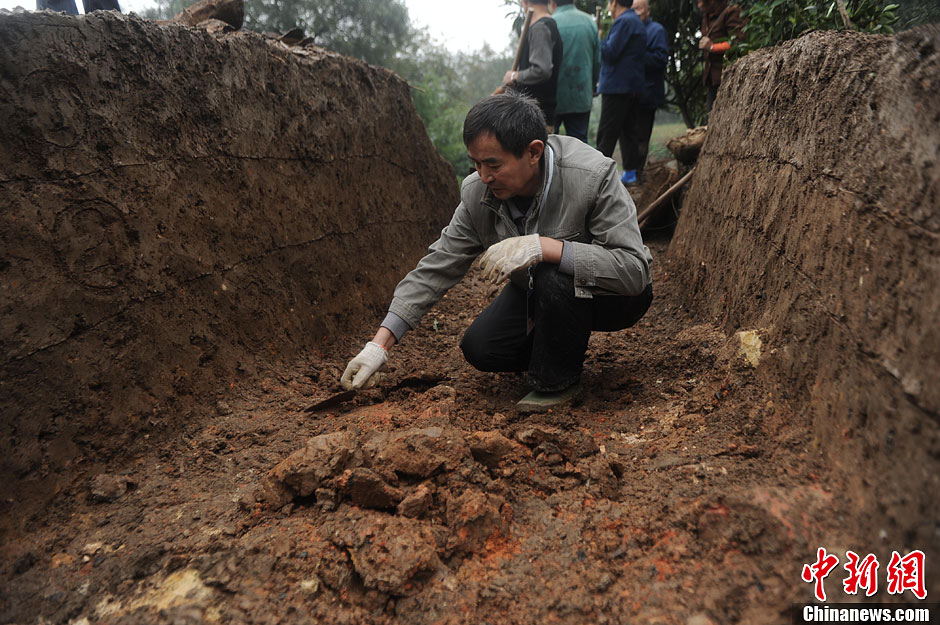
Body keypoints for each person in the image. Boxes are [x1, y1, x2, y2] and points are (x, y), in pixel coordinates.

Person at [341, 92, 653, 413]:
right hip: (536, 293)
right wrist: (379, 345)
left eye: (493, 164)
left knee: (551, 271)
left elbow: (634, 271)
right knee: (481, 349)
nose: (484, 175)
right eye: (475, 163)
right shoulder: (479, 193)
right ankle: (561, 343)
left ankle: (556, 382)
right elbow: (437, 266)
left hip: (614, 298)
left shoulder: (590, 176)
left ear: (533, 152)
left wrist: (546, 247)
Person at [596, 0, 647, 186]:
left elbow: (610, 53)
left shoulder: (624, 22)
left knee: (606, 133)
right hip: (632, 86)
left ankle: (597, 177)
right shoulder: (635, 21)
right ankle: (630, 174)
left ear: (614, 3)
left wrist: (599, 39)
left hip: (617, 87)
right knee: (628, 132)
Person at [501, 0, 564, 130]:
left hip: (537, 115)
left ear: (525, 2)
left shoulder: (540, 28)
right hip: (532, 114)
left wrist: (514, 76)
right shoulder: (541, 25)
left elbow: (541, 70)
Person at [551, 0, 601, 143]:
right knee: (579, 146)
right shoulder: (589, 22)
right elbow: (597, 61)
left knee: (547, 144)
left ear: (552, 2)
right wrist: (592, 86)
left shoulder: (548, 23)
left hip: (553, 98)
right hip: (581, 95)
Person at [632, 0, 669, 182]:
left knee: (641, 138)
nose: (636, 12)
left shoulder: (656, 31)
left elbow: (661, 59)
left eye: (639, 8)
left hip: (648, 93)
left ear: (648, 10)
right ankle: (631, 172)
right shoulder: (630, 29)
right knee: (630, 136)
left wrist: (637, 55)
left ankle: (638, 174)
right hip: (631, 94)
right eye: (633, 9)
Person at [698, 0, 746, 113]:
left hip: (729, 77)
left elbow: (739, 43)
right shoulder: (706, 16)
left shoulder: (731, 12)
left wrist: (712, 47)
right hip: (712, 78)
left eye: (702, 2)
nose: (699, 5)